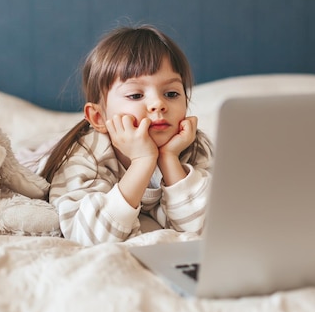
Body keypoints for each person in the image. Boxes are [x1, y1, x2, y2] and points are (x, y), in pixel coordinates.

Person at [40, 25, 212, 246]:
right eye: (135, 95)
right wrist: (142, 162)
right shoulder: (86, 156)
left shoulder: (194, 147)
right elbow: (89, 236)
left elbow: (207, 227)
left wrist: (169, 159)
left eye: (171, 94)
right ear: (99, 117)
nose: (158, 104)